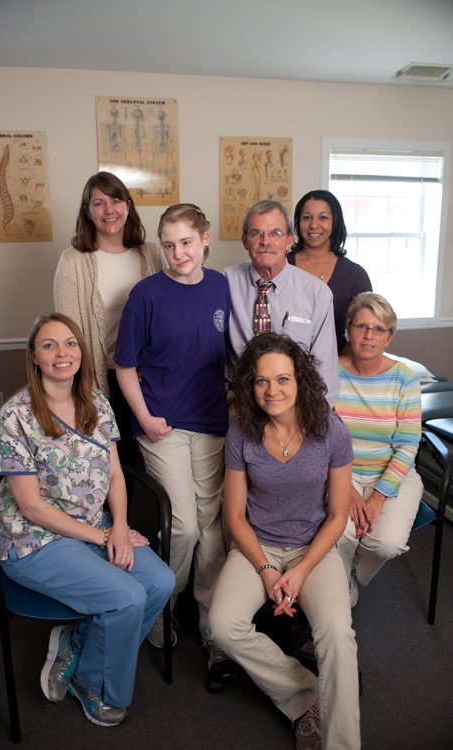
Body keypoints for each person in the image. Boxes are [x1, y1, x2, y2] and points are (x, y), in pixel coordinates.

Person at [0, 312, 174, 727]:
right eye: (49, 345)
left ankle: (77, 645)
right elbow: (31, 507)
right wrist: (104, 535)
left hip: (96, 525)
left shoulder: (96, 402)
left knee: (160, 582)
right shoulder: (15, 416)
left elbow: (115, 474)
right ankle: (94, 685)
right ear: (34, 356)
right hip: (35, 539)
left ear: (81, 351)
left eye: (70, 343)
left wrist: (120, 528)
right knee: (126, 597)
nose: (62, 353)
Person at [209, 332, 360, 750]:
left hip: (313, 548)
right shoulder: (241, 433)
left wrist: (300, 571)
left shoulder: (332, 431)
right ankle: (305, 696)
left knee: (336, 633)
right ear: (250, 385)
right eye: (261, 381)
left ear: (300, 381)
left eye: (282, 379)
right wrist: (266, 569)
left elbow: (338, 515)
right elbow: (235, 517)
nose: (271, 390)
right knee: (223, 626)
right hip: (258, 546)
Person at [115, 203, 230, 665]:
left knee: (213, 531)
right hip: (163, 426)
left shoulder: (221, 286)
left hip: (213, 424)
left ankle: (211, 619)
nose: (178, 253)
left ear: (204, 239)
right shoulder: (146, 295)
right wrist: (144, 418)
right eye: (168, 245)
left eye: (186, 242)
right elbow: (125, 367)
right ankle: (161, 605)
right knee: (183, 526)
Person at [53, 171, 164, 463]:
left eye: (115, 200)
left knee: (155, 457)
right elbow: (68, 332)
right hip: (101, 378)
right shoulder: (74, 261)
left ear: (128, 205)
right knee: (113, 460)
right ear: (87, 212)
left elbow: (165, 317)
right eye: (98, 203)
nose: (108, 210)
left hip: (147, 374)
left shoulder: (152, 254)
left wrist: (146, 363)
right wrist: (87, 384)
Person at [334, 292, 423, 606]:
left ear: (389, 336)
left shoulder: (405, 379)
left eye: (378, 329)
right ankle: (341, 583)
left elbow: (408, 445)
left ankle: (354, 570)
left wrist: (378, 497)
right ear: (348, 330)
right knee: (339, 534)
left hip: (393, 474)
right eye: (361, 326)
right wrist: (347, 488)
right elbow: (321, 438)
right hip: (340, 472)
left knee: (386, 543)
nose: (368, 335)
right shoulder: (329, 372)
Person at [224, 199, 339, 407]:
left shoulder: (317, 293)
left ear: (289, 241)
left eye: (275, 233)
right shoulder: (224, 283)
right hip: (240, 401)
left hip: (294, 403)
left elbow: (325, 372)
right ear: (245, 241)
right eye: (256, 233)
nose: (265, 241)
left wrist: (311, 419)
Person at [288, 190, 372, 354]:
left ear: (335, 222)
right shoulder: (281, 265)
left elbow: (366, 329)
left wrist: (339, 362)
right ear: (298, 222)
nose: (313, 225)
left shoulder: (355, 275)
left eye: (323, 217)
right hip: (283, 363)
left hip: (337, 361)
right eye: (306, 217)